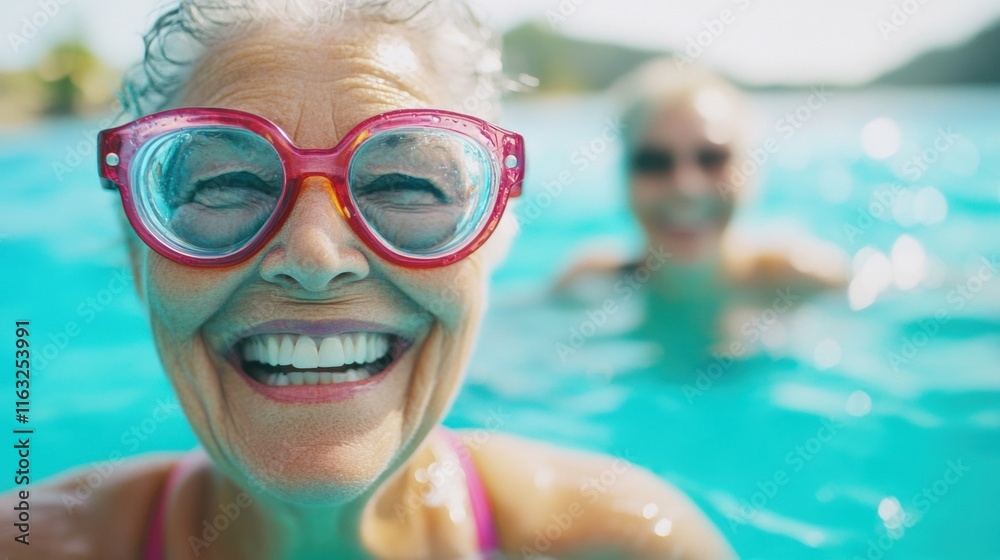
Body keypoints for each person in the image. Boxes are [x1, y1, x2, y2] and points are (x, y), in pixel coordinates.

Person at [0, 3, 734, 558]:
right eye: (224, 185)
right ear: (137, 254)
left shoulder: (625, 544)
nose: (316, 256)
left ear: (493, 243)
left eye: (406, 183)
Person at [557, 59, 848, 360]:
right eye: (655, 162)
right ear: (624, 177)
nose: (686, 187)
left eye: (711, 158)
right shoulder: (591, 282)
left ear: (750, 171)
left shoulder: (804, 279)